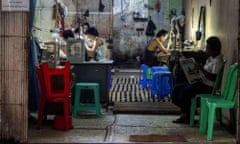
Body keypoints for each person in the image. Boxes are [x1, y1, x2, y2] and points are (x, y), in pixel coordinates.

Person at [172, 36, 224, 124]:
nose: (207, 50)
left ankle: (186, 116)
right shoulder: (211, 58)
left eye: (208, 48)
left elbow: (213, 77)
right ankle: (185, 113)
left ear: (214, 50)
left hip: (208, 87)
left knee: (185, 92)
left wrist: (201, 69)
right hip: (202, 82)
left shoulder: (218, 61)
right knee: (178, 87)